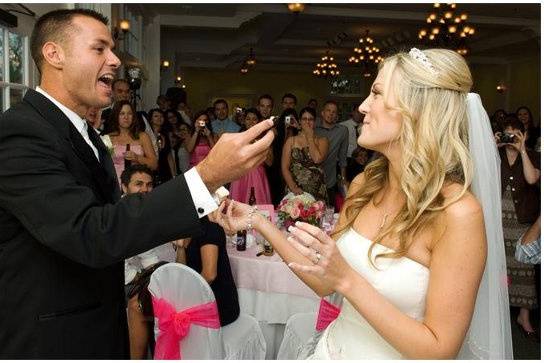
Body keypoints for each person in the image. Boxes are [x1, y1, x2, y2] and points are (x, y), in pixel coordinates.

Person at [0, 8, 274, 358]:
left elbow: (114, 217)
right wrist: (206, 176)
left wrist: (201, 207)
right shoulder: (22, 131)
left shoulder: (80, 131)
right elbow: (92, 232)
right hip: (53, 340)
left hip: (95, 326)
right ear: (55, 55)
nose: (114, 60)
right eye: (99, 49)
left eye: (112, 49)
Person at [212, 48, 512, 359]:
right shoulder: (363, 186)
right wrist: (258, 221)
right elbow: (323, 282)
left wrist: (348, 280)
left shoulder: (457, 213)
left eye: (377, 94)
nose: (363, 106)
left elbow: (439, 349)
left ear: (417, 109)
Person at [120, 165, 177, 359]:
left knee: (167, 296)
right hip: (113, 280)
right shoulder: (116, 215)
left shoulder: (143, 213)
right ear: (124, 187)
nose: (145, 189)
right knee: (139, 303)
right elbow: (118, 267)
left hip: (134, 276)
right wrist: (141, 281)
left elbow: (149, 258)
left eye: (149, 185)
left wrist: (159, 281)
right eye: (138, 184)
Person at [495, 115, 540, 338]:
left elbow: (532, 179)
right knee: (501, 266)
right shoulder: (496, 155)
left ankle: (524, 314)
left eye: (515, 133)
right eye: (507, 133)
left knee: (523, 266)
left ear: (524, 135)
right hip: (497, 220)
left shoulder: (534, 156)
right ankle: (502, 304)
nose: (511, 138)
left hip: (521, 220)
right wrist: (492, 146)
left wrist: (522, 151)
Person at [174, 218, 240, 327]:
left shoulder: (210, 228)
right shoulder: (188, 227)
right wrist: (180, 248)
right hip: (199, 297)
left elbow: (209, 275)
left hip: (218, 304)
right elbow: (182, 271)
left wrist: (187, 298)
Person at [281, 107, 328, 202]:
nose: (307, 122)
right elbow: (284, 167)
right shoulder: (291, 141)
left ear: (315, 122)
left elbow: (317, 159)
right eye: (304, 119)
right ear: (299, 121)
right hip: (295, 189)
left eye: (310, 119)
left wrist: (310, 137)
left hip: (317, 190)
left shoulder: (323, 140)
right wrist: (293, 187)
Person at [106, 100, 158, 184]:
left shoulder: (142, 136)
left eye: (129, 113)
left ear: (133, 117)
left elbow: (154, 164)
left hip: (138, 184)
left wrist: (137, 158)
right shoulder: (108, 138)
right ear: (116, 116)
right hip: (115, 184)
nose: (126, 117)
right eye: (122, 113)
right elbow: (105, 165)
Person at [229, 108, 273, 204]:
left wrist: (260, 145)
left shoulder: (266, 138)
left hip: (258, 176)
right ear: (244, 121)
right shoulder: (237, 137)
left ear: (259, 121)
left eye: (254, 119)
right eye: (248, 119)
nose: (251, 122)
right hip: (240, 176)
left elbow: (270, 163)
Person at [314, 100, 349, 208]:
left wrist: (343, 179)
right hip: (312, 175)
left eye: (334, 112)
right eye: (328, 110)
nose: (331, 114)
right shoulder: (314, 128)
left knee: (329, 210)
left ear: (337, 115)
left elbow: (343, 157)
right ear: (322, 113)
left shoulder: (343, 131)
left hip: (330, 177)